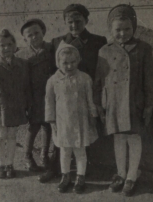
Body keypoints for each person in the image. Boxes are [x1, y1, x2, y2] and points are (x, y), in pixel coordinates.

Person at [38, 3, 107, 183]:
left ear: (86, 20)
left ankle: (83, 172)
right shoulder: (57, 42)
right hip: (64, 98)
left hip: (86, 94)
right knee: (62, 136)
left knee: (84, 136)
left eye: (78, 21)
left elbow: (101, 71)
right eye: (70, 22)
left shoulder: (98, 41)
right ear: (65, 22)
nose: (74, 25)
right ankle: (57, 169)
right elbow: (53, 72)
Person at [94, 4, 153, 196]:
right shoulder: (104, 50)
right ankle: (120, 173)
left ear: (134, 27)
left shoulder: (143, 49)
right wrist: (98, 103)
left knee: (134, 137)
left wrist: (149, 105)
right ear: (111, 30)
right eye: (117, 30)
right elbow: (98, 79)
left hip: (134, 102)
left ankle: (131, 175)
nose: (122, 34)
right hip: (112, 102)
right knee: (118, 137)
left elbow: (150, 79)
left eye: (127, 29)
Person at [45, 42, 98, 193]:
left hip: (80, 121)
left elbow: (90, 99)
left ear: (78, 60)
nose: (69, 66)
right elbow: (49, 102)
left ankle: (80, 178)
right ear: (58, 62)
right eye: (65, 63)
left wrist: (93, 115)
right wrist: (51, 121)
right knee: (65, 150)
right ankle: (65, 176)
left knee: (80, 150)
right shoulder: (53, 81)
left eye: (73, 62)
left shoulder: (84, 78)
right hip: (62, 122)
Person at [0, 29, 31, 178]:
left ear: (15, 46)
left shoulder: (22, 64)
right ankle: (0, 165)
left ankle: (10, 164)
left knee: (12, 137)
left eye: (10, 44)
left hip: (15, 107)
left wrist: (27, 105)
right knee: (0, 137)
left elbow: (26, 87)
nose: (6, 48)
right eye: (2, 45)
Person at [16, 19, 55, 171]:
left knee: (48, 126)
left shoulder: (51, 49)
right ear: (25, 39)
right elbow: (21, 81)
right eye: (29, 35)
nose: (34, 37)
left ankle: (44, 155)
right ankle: (27, 156)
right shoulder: (22, 55)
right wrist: (25, 101)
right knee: (33, 127)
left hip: (49, 94)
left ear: (43, 32)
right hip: (33, 97)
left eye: (37, 33)